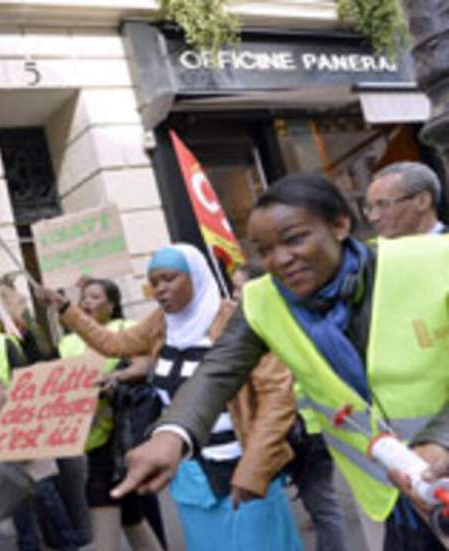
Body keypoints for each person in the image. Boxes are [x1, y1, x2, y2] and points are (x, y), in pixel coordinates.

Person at [114, 174, 449, 551]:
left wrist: (440, 440)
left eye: (294, 239)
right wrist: (171, 435)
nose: (281, 260)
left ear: (340, 224)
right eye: (263, 250)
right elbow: (218, 370)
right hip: (392, 495)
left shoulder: (435, 260)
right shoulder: (262, 299)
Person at [40, 244, 302, 551]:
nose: (161, 289)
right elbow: (113, 343)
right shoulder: (159, 323)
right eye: (155, 282)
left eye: (169, 279)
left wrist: (255, 468)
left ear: (196, 277)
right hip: (192, 478)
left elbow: (276, 399)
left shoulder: (238, 321)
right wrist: (65, 309)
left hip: (244, 473)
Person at [232, 264, 351, 551]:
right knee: (316, 504)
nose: (235, 294)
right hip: (297, 431)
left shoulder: (279, 323)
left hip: (307, 431)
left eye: (239, 287)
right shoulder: (267, 320)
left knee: (322, 506)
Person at [0, 305, 83, 551]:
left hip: (22, 425)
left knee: (44, 489)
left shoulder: (4, 343)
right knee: (15, 494)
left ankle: (69, 543)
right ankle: (28, 544)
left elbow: (26, 381)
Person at [56, 278, 165, 551]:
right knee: (129, 510)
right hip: (93, 436)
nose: (86, 302)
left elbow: (147, 364)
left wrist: (118, 377)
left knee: (108, 495)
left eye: (94, 296)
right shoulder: (68, 343)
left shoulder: (127, 329)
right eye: (84, 296)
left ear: (112, 304)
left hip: (127, 436)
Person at [366, 161, 446, 238]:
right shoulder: (376, 250)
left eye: (383, 204)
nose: (374, 217)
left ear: (422, 201)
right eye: (370, 208)